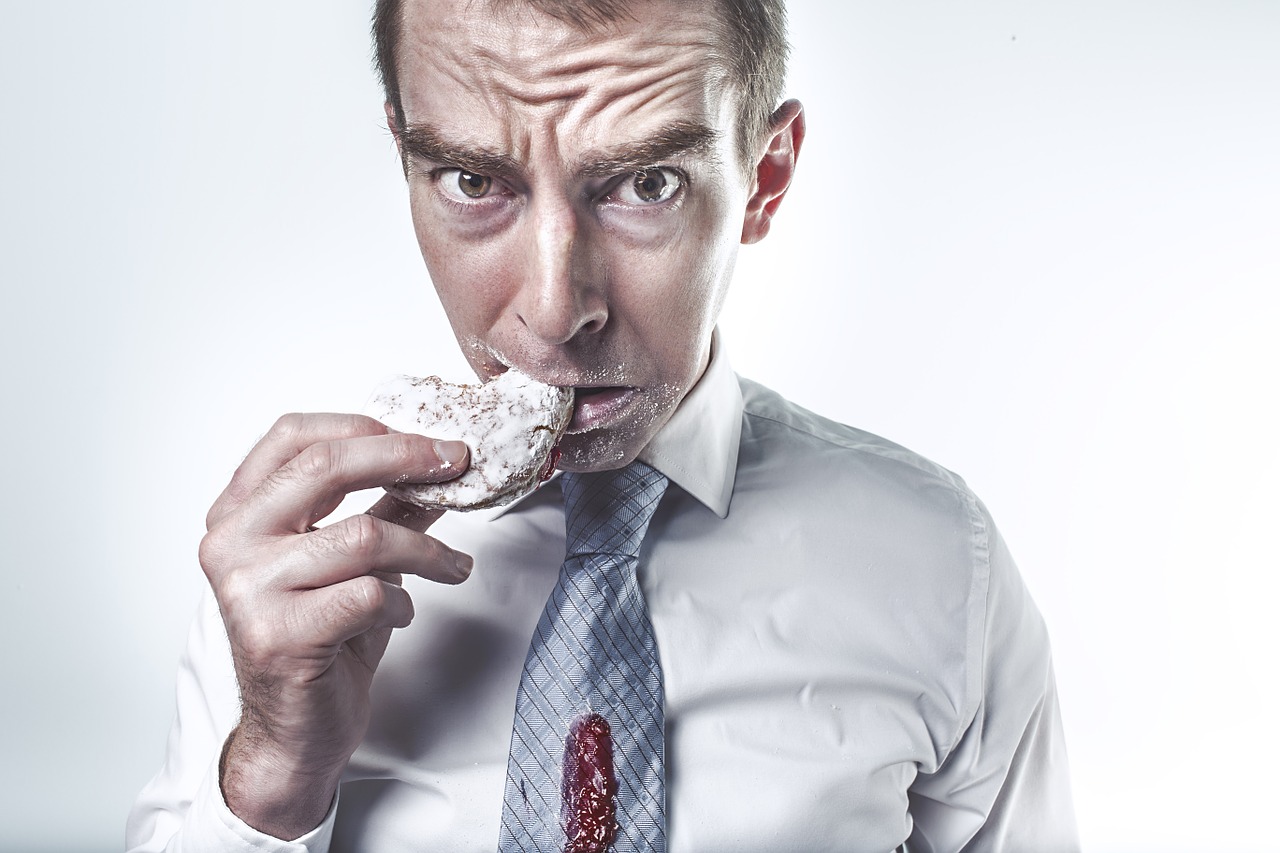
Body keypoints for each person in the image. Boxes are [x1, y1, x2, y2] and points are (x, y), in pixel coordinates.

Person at [128, 0, 1079, 850]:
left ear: (765, 178)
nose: (553, 309)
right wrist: (267, 787)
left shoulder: (943, 566)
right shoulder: (297, 561)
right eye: (469, 179)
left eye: (646, 184)